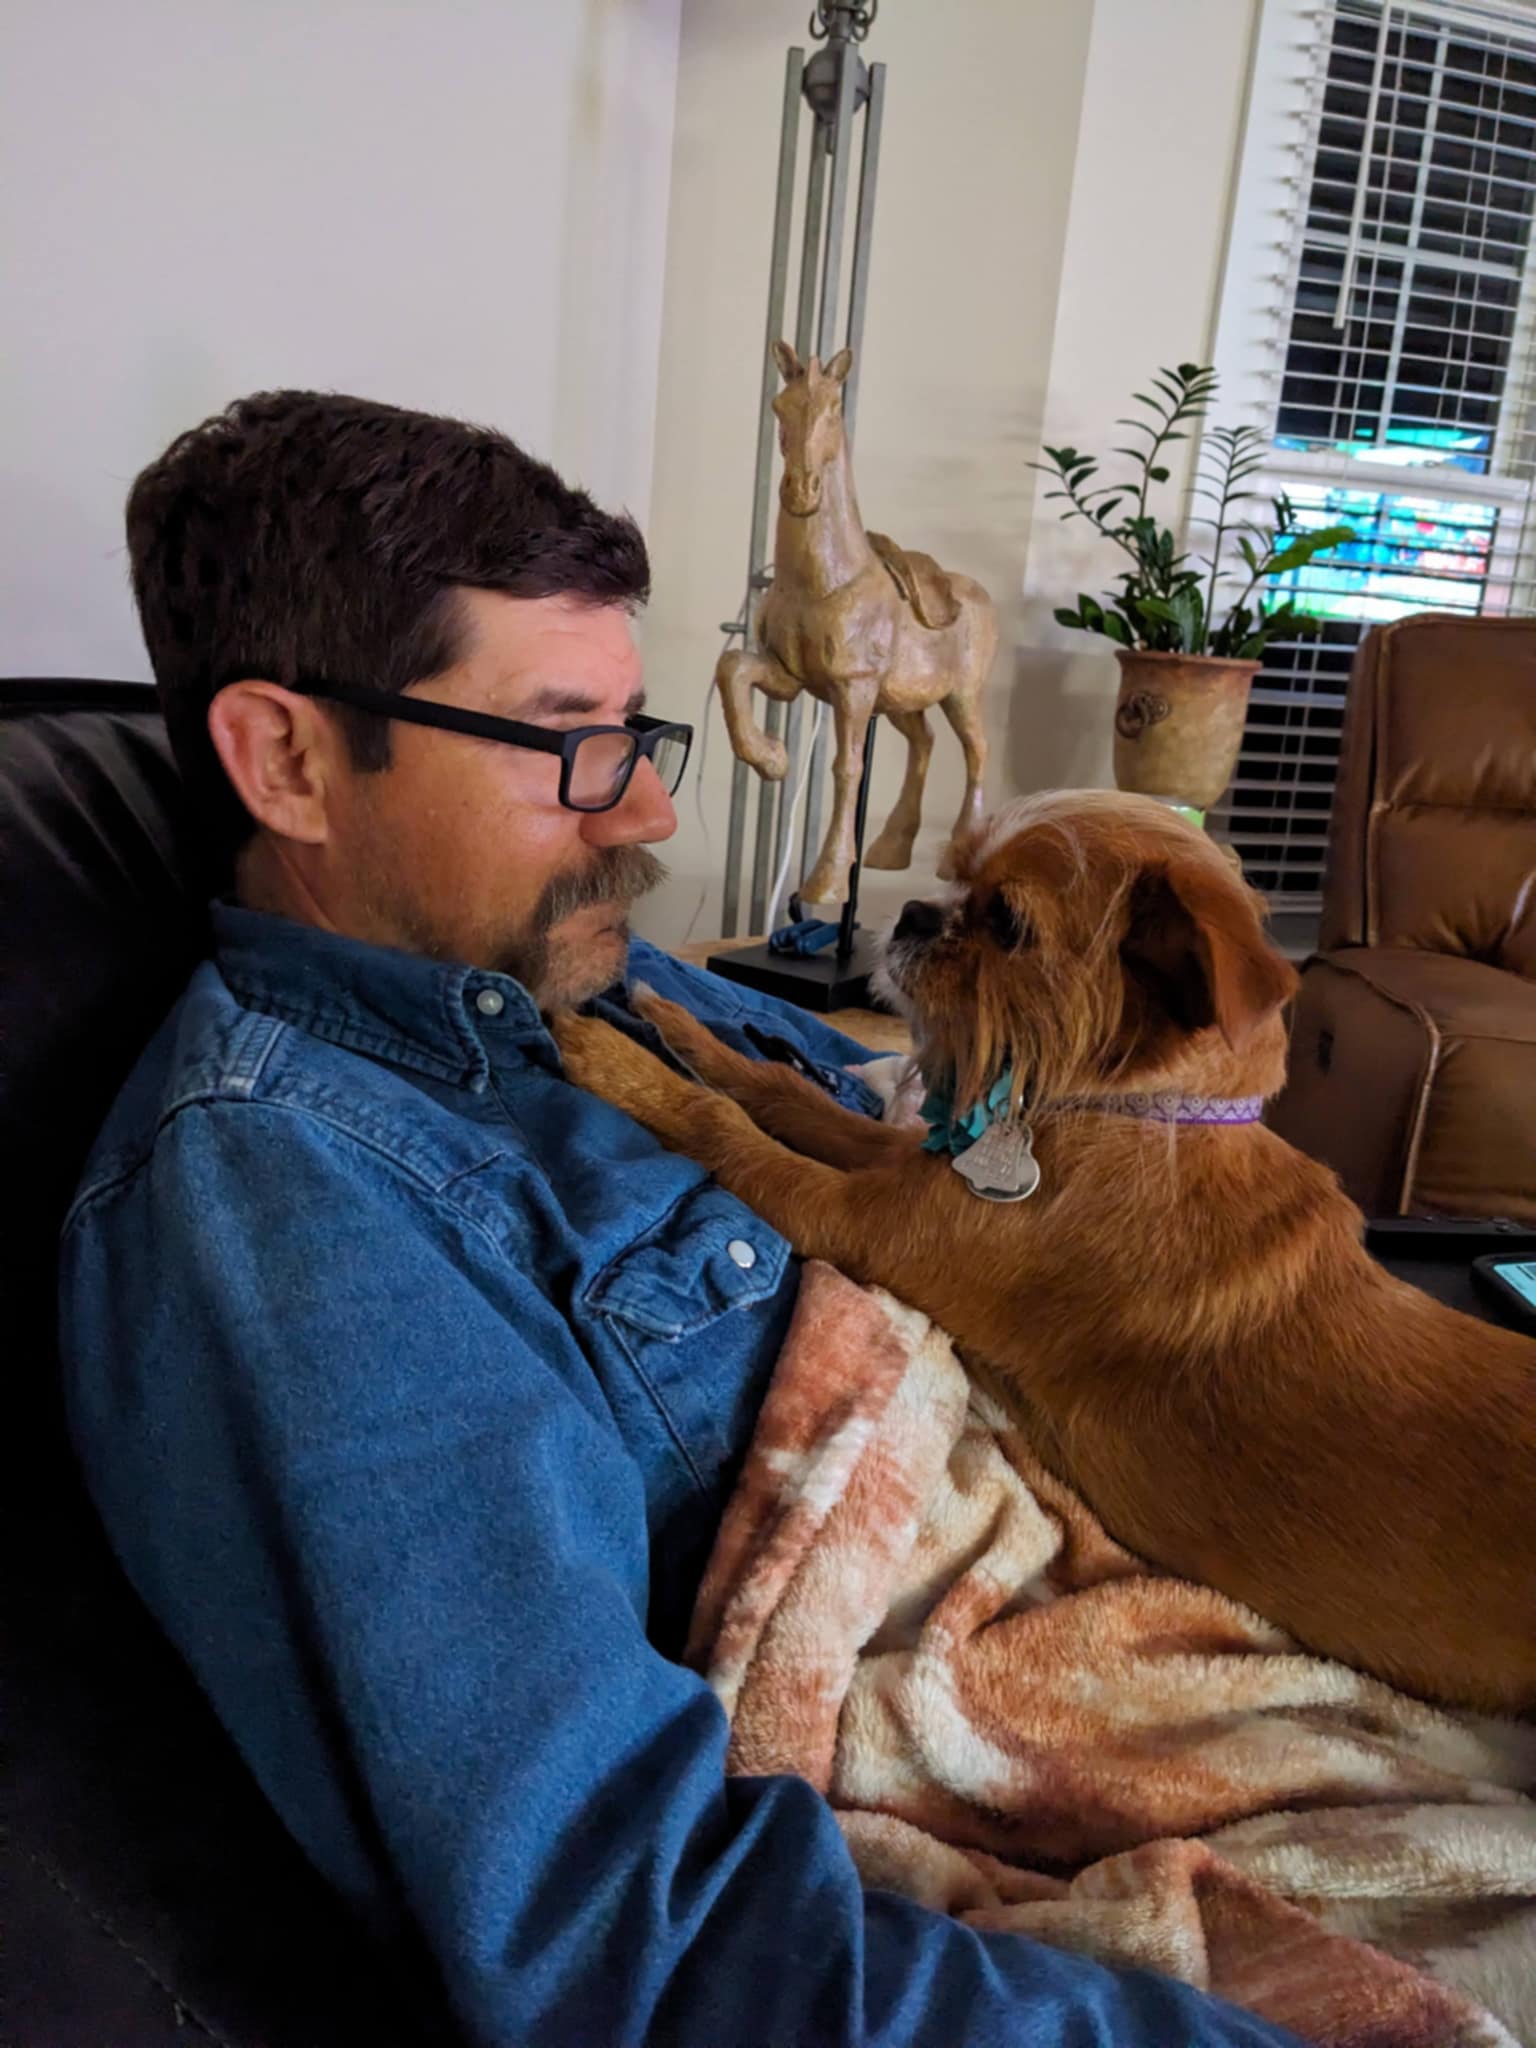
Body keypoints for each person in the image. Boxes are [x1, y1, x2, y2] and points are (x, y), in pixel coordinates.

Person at [59, 392, 1297, 2047]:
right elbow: (642, 1941)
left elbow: (912, 1141)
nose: (647, 814)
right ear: (288, 761)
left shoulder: (575, 976)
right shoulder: (289, 1212)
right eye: (568, 740)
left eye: (638, 734)